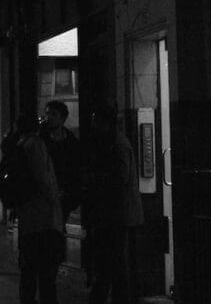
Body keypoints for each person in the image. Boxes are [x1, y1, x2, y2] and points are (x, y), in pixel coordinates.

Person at [84, 105, 144, 304]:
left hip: (117, 214)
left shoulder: (117, 144)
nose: (92, 124)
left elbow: (120, 178)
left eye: (95, 119)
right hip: (115, 214)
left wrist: (94, 178)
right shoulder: (113, 142)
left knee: (113, 262)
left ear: (104, 122)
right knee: (113, 262)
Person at [15, 114, 64, 304]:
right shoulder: (35, 145)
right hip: (43, 219)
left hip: (29, 218)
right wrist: (55, 199)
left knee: (29, 269)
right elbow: (43, 178)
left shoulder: (20, 144)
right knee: (46, 272)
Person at [39, 100, 82, 224]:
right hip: (44, 196)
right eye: (47, 113)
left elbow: (75, 167)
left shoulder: (71, 142)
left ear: (63, 119)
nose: (49, 117)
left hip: (64, 196)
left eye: (53, 114)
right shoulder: (39, 138)